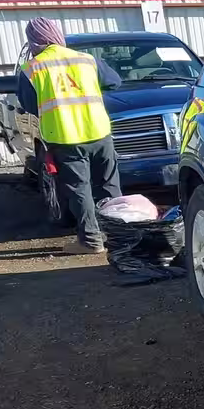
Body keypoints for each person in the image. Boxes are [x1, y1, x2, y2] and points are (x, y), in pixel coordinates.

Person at [16, 17, 124, 254]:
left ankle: (92, 241)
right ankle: (120, 238)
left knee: (79, 188)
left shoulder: (32, 69)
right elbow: (114, 82)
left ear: (33, 40)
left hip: (65, 137)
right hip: (99, 131)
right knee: (108, 185)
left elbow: (29, 104)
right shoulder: (86, 60)